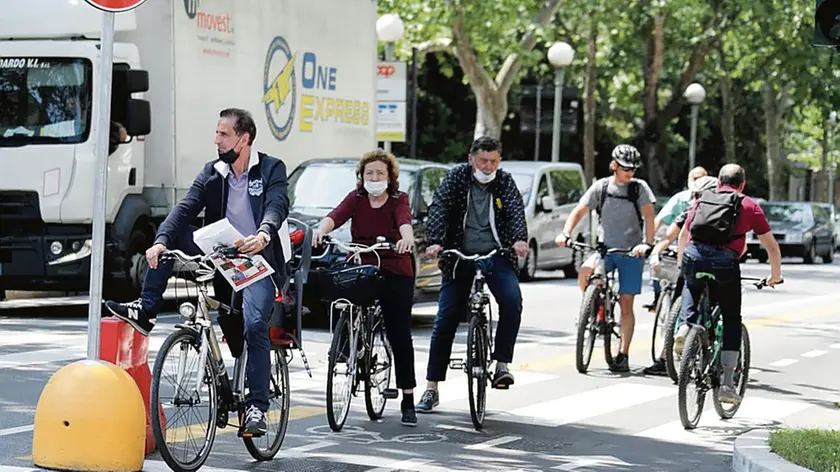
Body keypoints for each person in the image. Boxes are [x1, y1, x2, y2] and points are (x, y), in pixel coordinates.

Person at [104, 108, 290, 436]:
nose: (216, 140)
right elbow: (186, 206)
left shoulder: (271, 168)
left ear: (244, 139)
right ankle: (146, 310)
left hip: (256, 259)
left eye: (223, 134)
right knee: (169, 239)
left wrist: (263, 234)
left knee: (254, 324)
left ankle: (257, 407)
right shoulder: (213, 172)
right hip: (221, 251)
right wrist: (160, 241)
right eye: (216, 133)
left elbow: (277, 205)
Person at [415, 136, 529, 413]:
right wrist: (435, 241)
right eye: (483, 161)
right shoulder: (456, 178)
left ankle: (501, 365)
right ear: (471, 160)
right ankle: (431, 388)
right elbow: (439, 208)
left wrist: (519, 241)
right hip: (459, 255)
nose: (488, 167)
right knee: (445, 318)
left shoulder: (505, 182)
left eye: (493, 161)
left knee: (512, 301)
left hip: (496, 254)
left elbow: (515, 213)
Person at [311, 149, 419, 427]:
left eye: (380, 173)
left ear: (390, 177)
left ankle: (408, 398)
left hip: (395, 266)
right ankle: (347, 343)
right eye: (369, 173)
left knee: (398, 333)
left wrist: (406, 240)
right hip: (363, 264)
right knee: (343, 296)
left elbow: (405, 223)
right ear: (361, 176)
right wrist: (321, 231)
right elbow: (335, 216)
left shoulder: (399, 200)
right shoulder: (356, 198)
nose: (374, 177)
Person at [674, 164, 782, 405]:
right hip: (724, 262)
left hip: (694, 255)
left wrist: (684, 263)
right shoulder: (749, 205)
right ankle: (726, 383)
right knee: (732, 318)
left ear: (718, 181)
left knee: (691, 288)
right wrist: (775, 275)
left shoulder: (702, 199)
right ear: (742, 184)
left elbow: (684, 235)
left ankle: (685, 327)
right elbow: (771, 246)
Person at [555, 144, 656, 372]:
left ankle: (623, 354)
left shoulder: (639, 189)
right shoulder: (600, 187)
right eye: (625, 168)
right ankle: (590, 308)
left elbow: (649, 216)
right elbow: (579, 211)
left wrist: (646, 244)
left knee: (626, 303)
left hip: (632, 252)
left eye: (633, 169)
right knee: (585, 271)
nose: (630, 173)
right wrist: (566, 233)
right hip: (604, 249)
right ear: (614, 166)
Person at [643, 175, 717, 376]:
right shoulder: (727, 212)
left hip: (690, 263)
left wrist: (657, 251)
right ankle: (727, 362)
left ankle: (678, 337)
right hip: (718, 265)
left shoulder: (690, 211)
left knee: (684, 304)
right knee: (724, 309)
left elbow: (673, 237)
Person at [643, 166, 709, 311]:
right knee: (657, 260)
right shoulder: (681, 200)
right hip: (675, 243)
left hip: (699, 250)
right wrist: (648, 243)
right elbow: (662, 223)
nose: (697, 182)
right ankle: (657, 296)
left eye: (701, 179)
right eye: (694, 179)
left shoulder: (712, 204)